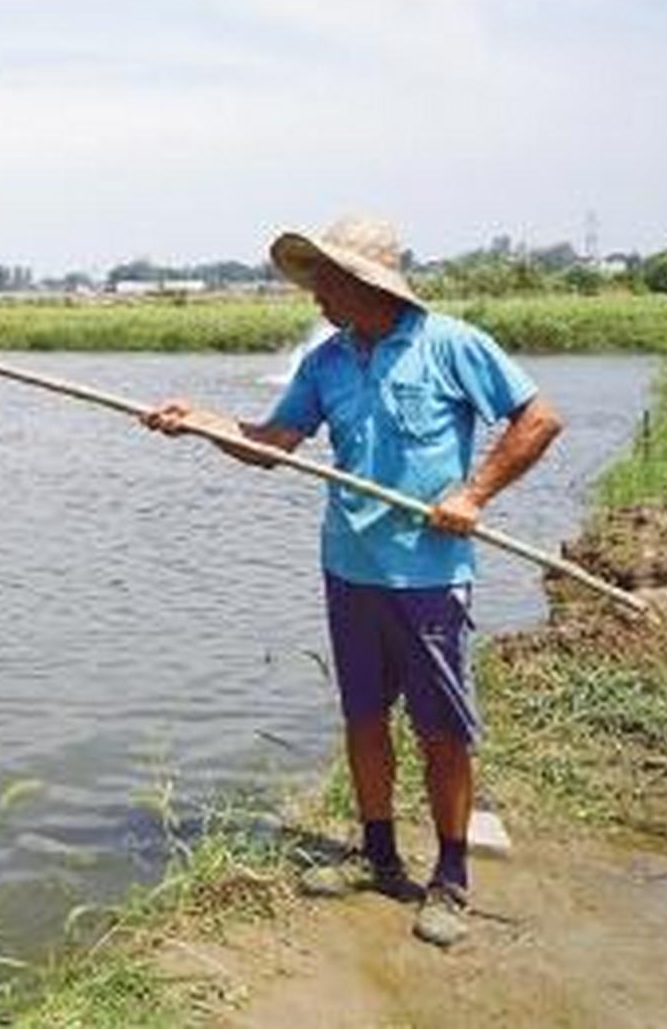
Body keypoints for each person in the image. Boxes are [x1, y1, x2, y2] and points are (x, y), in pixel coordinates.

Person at [142, 216, 562, 948]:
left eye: (325, 282)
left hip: (428, 577)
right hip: (349, 570)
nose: (315, 297)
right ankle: (378, 858)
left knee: (440, 732)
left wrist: (473, 495)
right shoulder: (328, 362)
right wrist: (205, 422)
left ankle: (452, 880)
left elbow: (539, 419)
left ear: (366, 283)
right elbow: (274, 446)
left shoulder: (450, 344)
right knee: (364, 717)